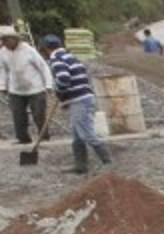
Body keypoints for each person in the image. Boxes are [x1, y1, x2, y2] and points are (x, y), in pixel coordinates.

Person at [40, 35, 112, 173]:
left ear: (45, 49)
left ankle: (107, 162)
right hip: (82, 98)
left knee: (86, 133)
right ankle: (80, 166)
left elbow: (63, 79)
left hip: (80, 100)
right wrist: (65, 99)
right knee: (77, 135)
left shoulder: (56, 59)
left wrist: (60, 93)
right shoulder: (70, 57)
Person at [0, 25, 54, 145]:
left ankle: (44, 137)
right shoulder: (3, 52)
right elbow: (3, 70)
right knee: (18, 115)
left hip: (35, 87)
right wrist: (3, 86)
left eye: (6, 40)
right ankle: (23, 138)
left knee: (39, 114)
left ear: (14, 39)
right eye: (3, 40)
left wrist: (48, 84)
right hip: (16, 89)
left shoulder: (28, 50)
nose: (4, 43)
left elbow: (43, 67)